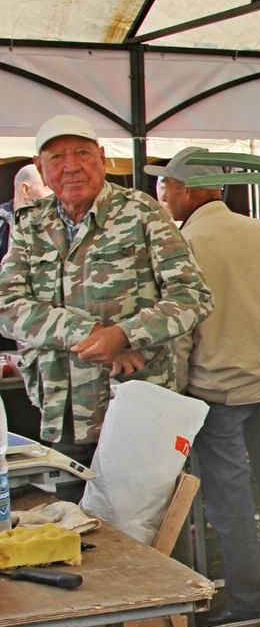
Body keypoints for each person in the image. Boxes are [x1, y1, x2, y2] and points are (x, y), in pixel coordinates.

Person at [0, 115, 213, 469]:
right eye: (56, 158)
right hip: (62, 408)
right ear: (39, 167)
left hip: (136, 402)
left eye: (82, 153)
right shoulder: (30, 225)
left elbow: (192, 296)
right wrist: (93, 335)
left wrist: (126, 334)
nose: (71, 167)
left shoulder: (142, 214)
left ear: (101, 157)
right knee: (73, 518)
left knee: (143, 520)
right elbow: (7, 306)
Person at [146, 147, 260, 622]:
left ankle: (248, 604)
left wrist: (172, 391)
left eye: (167, 185)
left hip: (214, 394)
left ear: (190, 190)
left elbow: (177, 330)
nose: (163, 193)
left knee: (231, 504)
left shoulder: (182, 243)